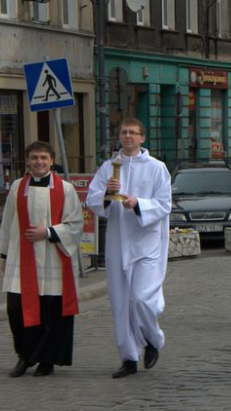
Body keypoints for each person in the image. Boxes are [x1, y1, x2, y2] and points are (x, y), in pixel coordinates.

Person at [86, 118, 172, 378]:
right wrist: (106, 195)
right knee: (121, 302)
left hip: (146, 242)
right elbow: (92, 199)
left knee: (142, 299)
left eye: (133, 132)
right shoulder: (109, 167)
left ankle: (153, 339)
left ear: (142, 138)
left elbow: (164, 203)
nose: (128, 136)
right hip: (117, 241)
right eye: (124, 132)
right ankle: (129, 357)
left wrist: (137, 204)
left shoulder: (157, 168)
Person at [0, 141, 83, 377]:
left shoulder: (65, 189)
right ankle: (24, 356)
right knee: (16, 310)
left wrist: (47, 232)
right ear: (27, 161)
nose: (39, 162)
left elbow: (75, 225)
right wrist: (4, 253)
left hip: (53, 258)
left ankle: (47, 360)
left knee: (51, 313)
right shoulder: (17, 187)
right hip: (21, 259)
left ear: (52, 161)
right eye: (34, 157)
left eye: (44, 157)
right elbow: (7, 221)